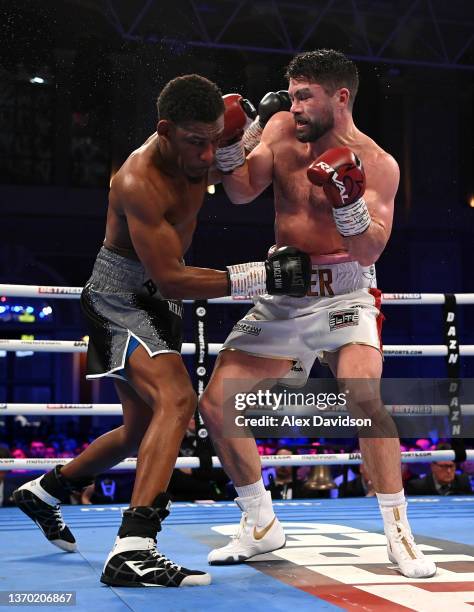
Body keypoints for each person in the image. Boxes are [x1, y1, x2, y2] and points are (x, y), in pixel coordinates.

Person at [13, 74, 311, 588]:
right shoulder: (137, 182)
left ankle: (45, 491)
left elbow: (237, 157)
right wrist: (263, 275)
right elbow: (172, 274)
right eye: (195, 143)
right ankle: (134, 546)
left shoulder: (220, 124)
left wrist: (258, 124)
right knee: (177, 402)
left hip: (159, 302)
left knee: (139, 430)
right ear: (165, 130)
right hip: (121, 299)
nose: (205, 156)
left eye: (214, 140)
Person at [200, 49, 437, 578]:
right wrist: (235, 140)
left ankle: (400, 536)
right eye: (292, 92)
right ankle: (260, 524)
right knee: (216, 404)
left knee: (363, 396)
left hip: (346, 292)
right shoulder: (281, 128)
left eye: (306, 94)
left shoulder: (378, 164)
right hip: (285, 292)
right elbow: (240, 193)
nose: (295, 103)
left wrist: (346, 202)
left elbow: (370, 250)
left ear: (341, 97)